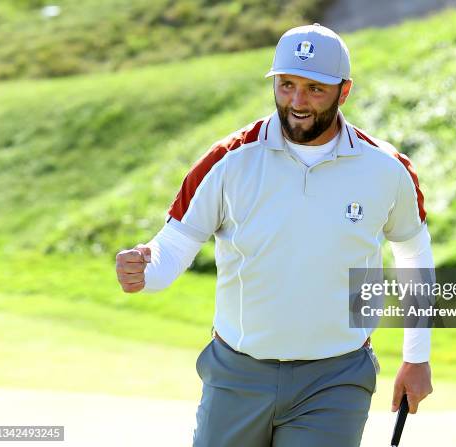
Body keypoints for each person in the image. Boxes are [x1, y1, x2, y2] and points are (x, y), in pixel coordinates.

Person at [115, 23, 433, 447]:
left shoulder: (387, 170)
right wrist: (146, 270)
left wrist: (416, 357)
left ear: (344, 91)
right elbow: (176, 243)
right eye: (286, 86)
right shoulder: (228, 160)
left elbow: (414, 255)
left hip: (335, 377)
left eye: (314, 89)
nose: (297, 103)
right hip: (237, 373)